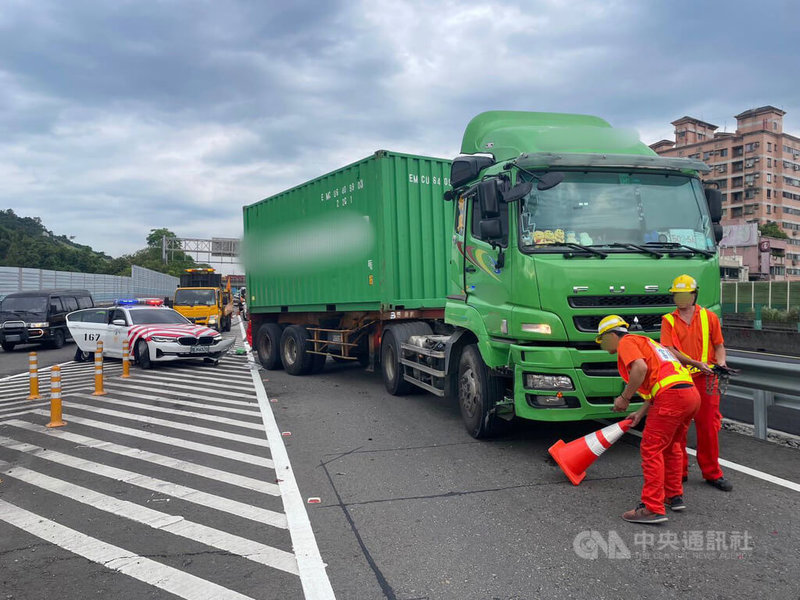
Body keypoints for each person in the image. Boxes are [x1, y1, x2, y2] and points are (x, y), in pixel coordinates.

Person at [597, 315, 700, 523]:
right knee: (671, 447)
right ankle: (674, 496)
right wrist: (641, 412)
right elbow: (660, 382)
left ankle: (652, 508)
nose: (603, 346)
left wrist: (624, 399)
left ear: (611, 335)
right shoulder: (648, 342)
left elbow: (640, 369)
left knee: (651, 449)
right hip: (689, 395)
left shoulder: (627, 342)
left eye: (602, 340)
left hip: (671, 397)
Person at [660, 274, 733, 492]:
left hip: (706, 379)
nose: (680, 299)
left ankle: (712, 473)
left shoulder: (709, 317)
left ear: (694, 295)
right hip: (681, 380)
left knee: (709, 427)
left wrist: (720, 363)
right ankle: (678, 471)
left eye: (684, 295)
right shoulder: (668, 320)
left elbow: (719, 345)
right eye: (677, 295)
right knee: (678, 429)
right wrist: (695, 363)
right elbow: (669, 350)